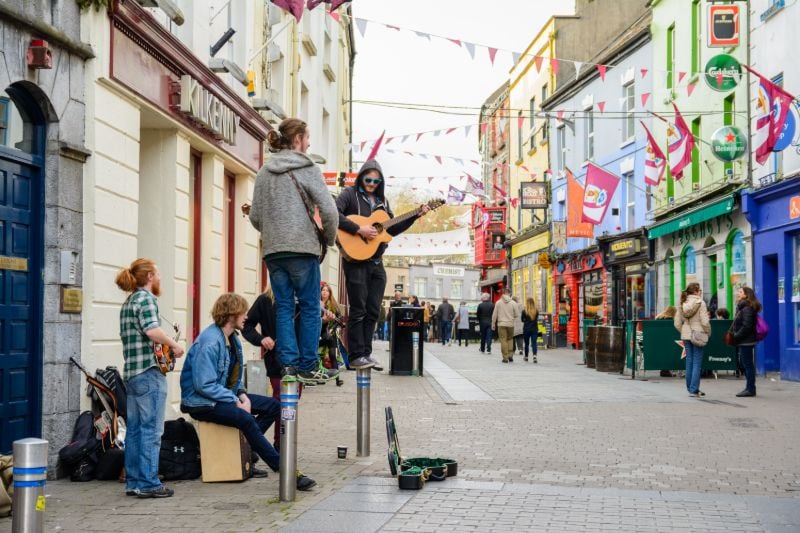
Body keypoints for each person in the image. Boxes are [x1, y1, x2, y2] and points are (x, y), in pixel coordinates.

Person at [180, 293, 316, 491]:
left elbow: (231, 378)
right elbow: (204, 385)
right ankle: (284, 470)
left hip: (221, 396)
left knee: (275, 407)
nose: (246, 316)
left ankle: (247, 451)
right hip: (201, 403)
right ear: (231, 315)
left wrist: (242, 395)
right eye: (243, 312)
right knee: (246, 420)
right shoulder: (210, 342)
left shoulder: (232, 339)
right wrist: (235, 400)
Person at [248, 118, 339, 385]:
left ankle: (287, 366)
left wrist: (274, 230)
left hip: (274, 251)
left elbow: (255, 216)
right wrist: (329, 239)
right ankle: (309, 365)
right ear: (298, 138)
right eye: (308, 138)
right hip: (302, 248)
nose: (309, 144)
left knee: (284, 307)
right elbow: (330, 210)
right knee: (311, 307)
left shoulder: (265, 171)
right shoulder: (309, 168)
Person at [336, 159, 430, 369]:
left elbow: (391, 229)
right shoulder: (349, 195)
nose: (371, 184)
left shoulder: (382, 201)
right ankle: (355, 356)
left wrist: (415, 215)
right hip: (356, 261)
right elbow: (334, 214)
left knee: (372, 310)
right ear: (361, 177)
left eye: (376, 181)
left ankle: (366, 354)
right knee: (358, 309)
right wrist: (358, 229)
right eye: (368, 179)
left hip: (377, 262)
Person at [115, 258, 185, 498]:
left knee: (134, 430)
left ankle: (134, 481)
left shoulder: (128, 302)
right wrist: (174, 345)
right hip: (148, 373)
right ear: (149, 277)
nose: (160, 277)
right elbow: (152, 331)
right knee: (152, 431)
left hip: (132, 374)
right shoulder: (146, 299)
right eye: (157, 273)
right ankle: (148, 483)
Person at [241, 285, 286, 450]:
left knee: (292, 403)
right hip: (276, 360)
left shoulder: (301, 299)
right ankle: (280, 445)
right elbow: (247, 326)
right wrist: (261, 339)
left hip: (298, 360)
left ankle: (282, 442)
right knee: (282, 400)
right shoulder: (265, 300)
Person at [674, 283, 711, 398]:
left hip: (686, 334)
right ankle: (694, 389)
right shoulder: (701, 302)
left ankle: (690, 388)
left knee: (689, 360)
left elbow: (676, 323)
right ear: (695, 291)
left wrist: (684, 330)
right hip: (698, 333)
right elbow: (705, 322)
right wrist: (708, 332)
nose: (700, 292)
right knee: (697, 362)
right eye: (699, 290)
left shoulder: (682, 303)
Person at [730, 287, 761, 398]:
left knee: (747, 364)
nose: (738, 293)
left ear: (746, 295)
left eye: (740, 292)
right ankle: (749, 388)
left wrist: (737, 336)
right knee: (745, 363)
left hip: (746, 340)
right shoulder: (742, 306)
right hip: (743, 339)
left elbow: (747, 326)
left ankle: (750, 389)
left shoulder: (747, 308)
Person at [320, 281, 344, 386]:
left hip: (331, 334)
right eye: (323, 290)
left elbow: (339, 319)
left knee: (332, 356)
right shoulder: (317, 304)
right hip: (319, 333)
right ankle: (321, 377)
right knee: (319, 356)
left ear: (330, 293)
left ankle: (337, 379)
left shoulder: (333, 305)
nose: (325, 293)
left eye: (327, 291)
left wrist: (332, 328)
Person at [492, 289, 519, 363]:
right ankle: (510, 355)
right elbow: (517, 314)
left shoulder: (498, 303)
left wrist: (493, 323)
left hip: (501, 324)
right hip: (510, 324)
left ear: (503, 293)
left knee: (503, 340)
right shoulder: (513, 303)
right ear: (509, 294)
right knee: (510, 339)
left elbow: (494, 314)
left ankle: (505, 357)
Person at [655, 306, 677, 377]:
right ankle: (666, 370)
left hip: (657, 342)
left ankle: (664, 370)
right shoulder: (671, 320)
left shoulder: (658, 318)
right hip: (668, 342)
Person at [521, 298, 539, 363]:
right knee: (534, 343)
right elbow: (536, 319)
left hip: (526, 329)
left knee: (526, 343)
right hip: (534, 329)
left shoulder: (524, 311)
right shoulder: (536, 311)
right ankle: (534, 356)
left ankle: (526, 357)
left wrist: (526, 321)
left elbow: (522, 320)